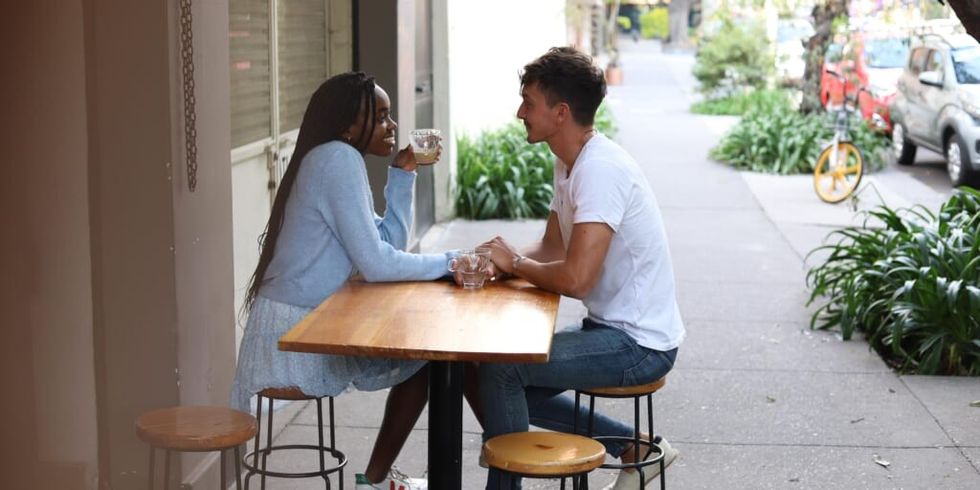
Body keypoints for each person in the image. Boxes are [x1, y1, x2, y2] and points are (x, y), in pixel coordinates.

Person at [230, 72, 481, 490]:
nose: (392, 126)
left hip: (312, 327)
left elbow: (383, 245)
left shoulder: (336, 159)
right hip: (293, 342)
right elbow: (379, 265)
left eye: (390, 116)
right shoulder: (336, 159)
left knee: (431, 356)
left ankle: (375, 480)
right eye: (380, 117)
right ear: (348, 126)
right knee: (435, 357)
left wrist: (403, 173)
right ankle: (500, 456)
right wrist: (452, 261)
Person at [478, 47, 685, 489]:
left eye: (528, 103)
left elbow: (575, 278)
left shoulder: (601, 171)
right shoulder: (570, 162)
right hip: (608, 330)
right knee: (485, 377)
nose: (520, 112)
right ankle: (638, 448)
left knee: (500, 372)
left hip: (639, 344)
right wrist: (496, 264)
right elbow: (552, 247)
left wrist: (514, 262)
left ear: (561, 113)